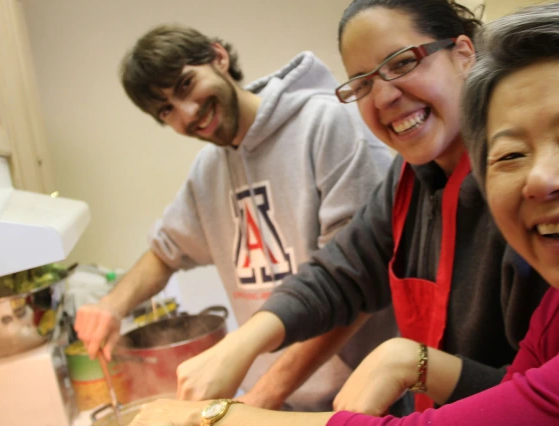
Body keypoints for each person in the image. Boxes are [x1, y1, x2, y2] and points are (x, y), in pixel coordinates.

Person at [129, 2, 559, 424]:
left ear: (465, 54)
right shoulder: (408, 178)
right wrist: (241, 344)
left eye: (402, 62)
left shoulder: (523, 210)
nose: (386, 95)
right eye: (363, 83)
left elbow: (521, 405)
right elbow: (343, 272)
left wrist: (220, 416)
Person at [73, 24, 395, 411]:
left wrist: (261, 399)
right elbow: (166, 251)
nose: (188, 112)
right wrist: (112, 305)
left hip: (361, 397)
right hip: (280, 402)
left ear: (218, 57)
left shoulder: (327, 123)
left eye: (186, 85)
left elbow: (355, 283)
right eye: (166, 110)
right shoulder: (208, 170)